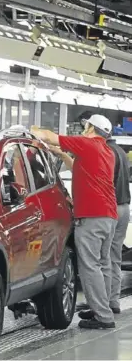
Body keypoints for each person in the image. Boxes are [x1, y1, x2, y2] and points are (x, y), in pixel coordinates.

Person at [30, 114, 118, 329]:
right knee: (102, 264)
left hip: (92, 216)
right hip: (108, 215)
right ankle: (102, 307)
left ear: (90, 128)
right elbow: (78, 166)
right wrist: (60, 154)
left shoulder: (87, 143)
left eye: (85, 125)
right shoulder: (105, 150)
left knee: (90, 267)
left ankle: (103, 317)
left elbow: (49, 136)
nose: (83, 128)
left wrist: (31, 131)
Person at [76, 134, 131, 315]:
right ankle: (112, 300)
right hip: (124, 207)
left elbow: (102, 181)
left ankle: (103, 303)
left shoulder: (105, 152)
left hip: (110, 208)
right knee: (114, 256)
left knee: (102, 258)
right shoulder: (121, 152)